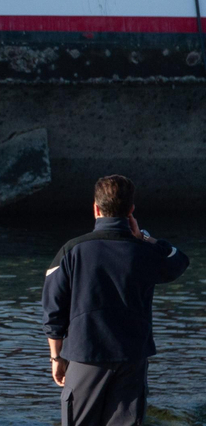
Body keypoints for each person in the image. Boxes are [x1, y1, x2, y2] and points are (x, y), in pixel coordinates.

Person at [42, 174, 190, 426]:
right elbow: (178, 261)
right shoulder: (145, 252)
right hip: (132, 357)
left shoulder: (72, 250)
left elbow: (53, 310)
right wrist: (144, 237)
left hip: (85, 355)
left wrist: (56, 358)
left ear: (95, 208)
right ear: (131, 211)